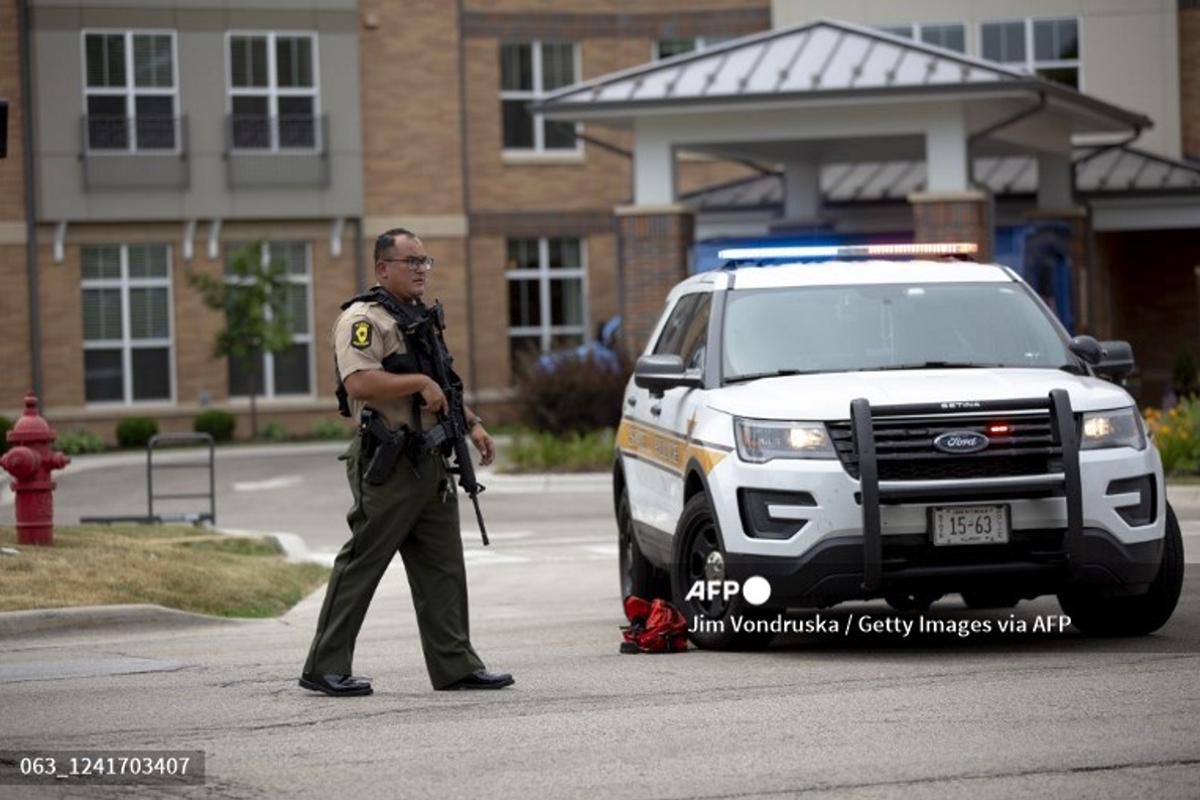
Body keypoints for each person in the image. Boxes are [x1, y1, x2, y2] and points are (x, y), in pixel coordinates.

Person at [300, 227, 513, 696]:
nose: (421, 269)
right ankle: (324, 665)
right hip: (390, 460)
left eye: (425, 261)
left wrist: (472, 423)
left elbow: (442, 382)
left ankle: (455, 664)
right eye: (410, 262)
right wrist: (416, 384)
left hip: (432, 456)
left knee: (443, 568)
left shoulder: (417, 317)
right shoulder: (363, 319)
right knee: (362, 563)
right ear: (383, 268)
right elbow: (359, 382)